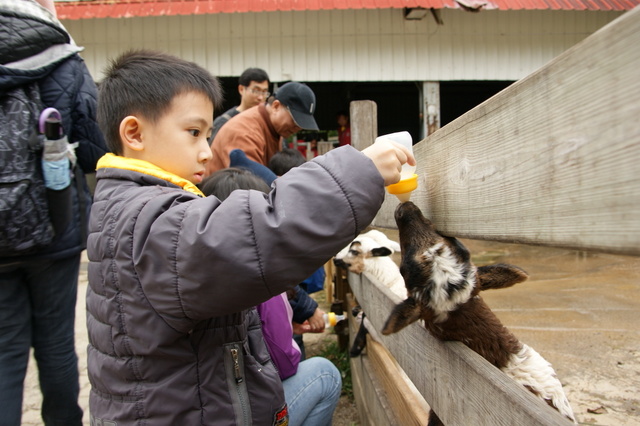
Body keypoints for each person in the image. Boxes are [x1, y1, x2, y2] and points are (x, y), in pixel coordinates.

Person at [89, 48, 414, 425]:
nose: (206, 151)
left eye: (207, 135)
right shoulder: (152, 220)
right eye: (193, 133)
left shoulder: (129, 207)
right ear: (134, 133)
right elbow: (261, 233)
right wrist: (359, 171)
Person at [0, 0, 108, 425]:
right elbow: (96, 151)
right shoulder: (62, 57)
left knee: (6, 348)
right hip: (56, 228)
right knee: (57, 344)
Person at [201, 168, 341, 426]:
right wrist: (288, 335)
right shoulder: (265, 283)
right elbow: (284, 363)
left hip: (206, 409)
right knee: (325, 374)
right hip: (244, 412)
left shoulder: (196, 277)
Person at [206, 81, 319, 174]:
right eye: (295, 121)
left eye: (301, 125)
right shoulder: (245, 130)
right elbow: (249, 182)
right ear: (276, 106)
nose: (297, 128)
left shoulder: (275, 129)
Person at [211, 67, 270, 141]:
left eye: (264, 92)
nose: (261, 97)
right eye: (256, 91)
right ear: (241, 89)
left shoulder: (268, 122)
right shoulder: (225, 121)